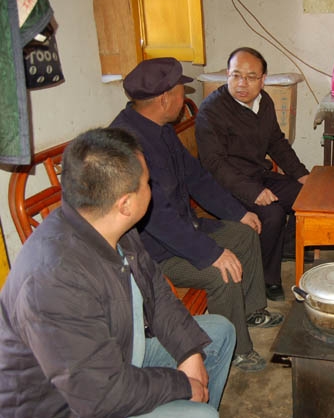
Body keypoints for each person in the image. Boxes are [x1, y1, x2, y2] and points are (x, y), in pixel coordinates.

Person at [0, 128, 236, 417]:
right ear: (125, 204)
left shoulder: (106, 223)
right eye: (147, 183)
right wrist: (183, 385)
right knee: (201, 415)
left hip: (116, 356)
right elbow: (101, 395)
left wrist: (189, 352)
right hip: (72, 404)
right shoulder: (53, 281)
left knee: (218, 334)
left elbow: (156, 290)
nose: (151, 188)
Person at [110, 57, 282, 372]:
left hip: (185, 228)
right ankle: (234, 350)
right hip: (155, 253)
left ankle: (251, 310)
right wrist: (210, 254)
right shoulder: (126, 145)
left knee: (244, 233)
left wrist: (238, 213)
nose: (183, 96)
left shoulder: (160, 129)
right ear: (164, 99)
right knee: (221, 272)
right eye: (180, 91)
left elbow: (197, 177)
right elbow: (156, 218)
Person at [195, 47, 310, 302]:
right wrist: (253, 192)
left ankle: (284, 247)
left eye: (250, 77)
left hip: (258, 173)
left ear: (263, 79)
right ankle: (268, 278)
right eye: (235, 75)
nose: (241, 84)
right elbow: (214, 164)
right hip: (226, 185)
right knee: (272, 213)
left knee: (305, 196)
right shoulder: (212, 110)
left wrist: (301, 174)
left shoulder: (264, 102)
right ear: (227, 75)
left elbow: (276, 142)